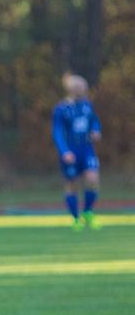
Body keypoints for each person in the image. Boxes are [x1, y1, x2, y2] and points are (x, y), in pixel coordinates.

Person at [51, 74, 103, 231]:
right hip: (71, 150)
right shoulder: (61, 109)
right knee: (72, 184)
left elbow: (94, 121)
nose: (82, 90)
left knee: (92, 179)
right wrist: (64, 151)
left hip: (86, 149)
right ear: (71, 89)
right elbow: (57, 132)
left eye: (83, 87)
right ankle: (75, 218)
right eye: (79, 87)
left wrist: (96, 130)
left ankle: (88, 212)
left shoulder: (87, 105)